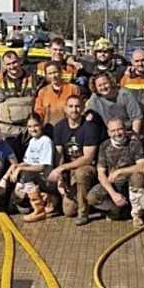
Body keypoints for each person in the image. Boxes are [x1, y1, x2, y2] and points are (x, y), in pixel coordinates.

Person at [50, 95, 102, 226]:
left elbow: (88, 158)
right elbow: (59, 154)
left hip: (87, 167)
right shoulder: (59, 127)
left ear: (83, 108)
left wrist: (63, 168)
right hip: (69, 169)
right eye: (71, 106)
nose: (74, 109)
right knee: (68, 211)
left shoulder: (90, 127)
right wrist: (60, 177)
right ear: (65, 109)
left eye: (78, 106)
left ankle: (83, 212)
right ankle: (83, 200)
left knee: (81, 173)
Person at [87, 118, 144, 227]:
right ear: (108, 132)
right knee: (92, 197)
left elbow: (142, 166)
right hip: (114, 185)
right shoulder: (104, 146)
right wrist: (113, 194)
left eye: (120, 129)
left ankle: (137, 214)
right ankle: (116, 211)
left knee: (137, 177)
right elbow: (101, 173)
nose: (117, 133)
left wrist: (120, 171)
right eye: (113, 131)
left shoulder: (134, 143)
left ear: (125, 129)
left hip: (130, 184)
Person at [1, 113, 55, 223]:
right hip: (35, 179)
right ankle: (45, 199)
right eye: (29, 126)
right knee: (19, 188)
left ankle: (39, 209)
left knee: (25, 175)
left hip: (46, 178)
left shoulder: (46, 141)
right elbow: (27, 162)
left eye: (35, 126)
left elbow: (41, 167)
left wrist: (21, 169)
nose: (32, 129)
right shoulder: (32, 141)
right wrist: (16, 167)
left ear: (41, 125)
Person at [0, 50, 40, 158]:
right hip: (7, 131)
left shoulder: (34, 78)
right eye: (8, 64)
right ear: (4, 65)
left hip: (29, 131)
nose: (12, 66)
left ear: (20, 61)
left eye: (14, 62)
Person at [34, 61, 81, 128]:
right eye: (50, 73)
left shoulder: (73, 89)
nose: (53, 76)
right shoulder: (43, 92)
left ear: (60, 72)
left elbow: (80, 109)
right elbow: (38, 111)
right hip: (49, 129)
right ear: (46, 75)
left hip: (69, 128)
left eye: (55, 72)